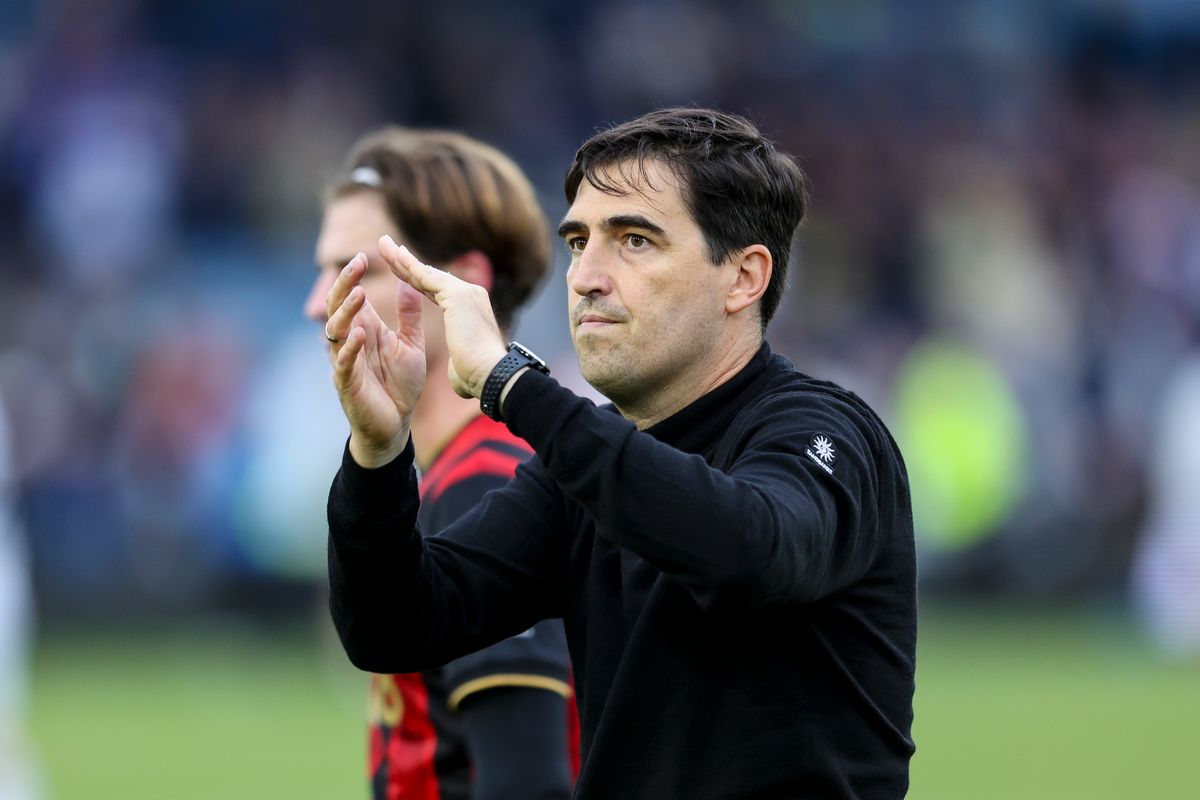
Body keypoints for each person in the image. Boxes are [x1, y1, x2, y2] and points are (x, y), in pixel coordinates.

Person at [323, 108, 917, 799]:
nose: (584, 278)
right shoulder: (577, 473)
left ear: (744, 277)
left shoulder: (826, 432)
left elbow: (747, 553)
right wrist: (378, 451)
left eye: (634, 240)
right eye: (578, 242)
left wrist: (515, 386)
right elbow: (393, 626)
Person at [306, 127, 577, 800]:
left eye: (353, 270)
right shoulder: (441, 473)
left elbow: (529, 778)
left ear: (462, 283)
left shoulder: (490, 481)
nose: (319, 303)